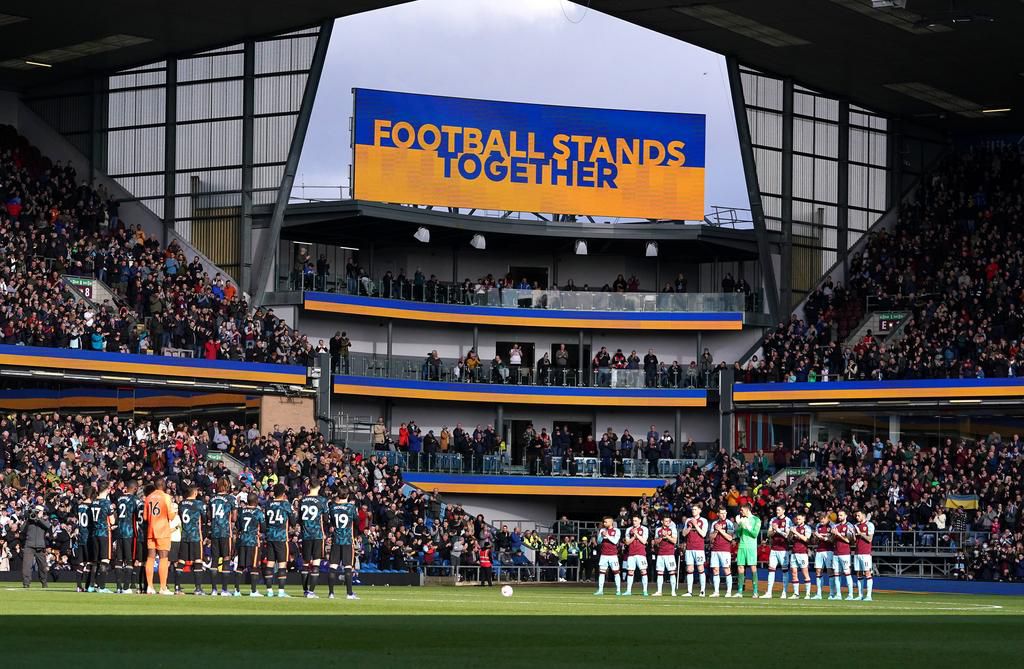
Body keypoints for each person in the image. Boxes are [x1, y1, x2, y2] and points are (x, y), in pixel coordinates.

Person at [143, 477, 176, 595]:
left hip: (151, 530)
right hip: (162, 531)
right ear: (163, 485)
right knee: (163, 557)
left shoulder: (148, 497)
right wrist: (175, 511)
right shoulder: (166, 497)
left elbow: (145, 517)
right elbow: (171, 516)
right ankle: (162, 588)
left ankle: (150, 587)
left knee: (150, 558)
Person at [299, 478, 329, 598]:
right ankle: (311, 592)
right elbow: (326, 519)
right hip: (317, 535)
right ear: (319, 487)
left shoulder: (302, 500)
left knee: (305, 563)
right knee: (316, 563)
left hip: (305, 534)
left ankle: (305, 590)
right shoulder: (322, 500)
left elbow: (300, 518)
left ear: (309, 486)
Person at [328, 487, 359, 600]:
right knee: (347, 567)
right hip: (347, 540)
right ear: (347, 496)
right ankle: (349, 593)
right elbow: (357, 521)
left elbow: (330, 521)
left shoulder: (332, 507)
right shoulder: (351, 507)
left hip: (336, 539)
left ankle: (331, 593)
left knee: (333, 566)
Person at [208, 478, 238, 596]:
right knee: (226, 559)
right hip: (225, 532)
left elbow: (209, 516)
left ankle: (214, 589)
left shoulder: (212, 499)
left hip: (214, 532)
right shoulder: (231, 498)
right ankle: (224, 590)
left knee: (214, 561)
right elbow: (234, 518)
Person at [177, 485, 208, 596]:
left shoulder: (181, 504)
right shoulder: (199, 504)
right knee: (198, 561)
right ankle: (198, 589)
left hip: (184, 535)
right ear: (194, 493)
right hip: (195, 536)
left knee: (181, 561)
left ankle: (177, 588)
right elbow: (205, 518)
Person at [265, 483, 294, 597]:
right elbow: (293, 521)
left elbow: (266, 520)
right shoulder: (285, 504)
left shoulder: (268, 504)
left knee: (270, 563)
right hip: (281, 537)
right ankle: (281, 591)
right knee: (282, 564)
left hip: (270, 536)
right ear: (283, 494)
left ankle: (269, 591)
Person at [236, 493, 266, 597]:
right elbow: (263, 527)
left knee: (240, 566)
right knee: (254, 566)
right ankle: (253, 591)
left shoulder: (241, 511)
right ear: (256, 501)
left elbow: (238, 526)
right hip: (253, 541)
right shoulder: (258, 512)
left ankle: (236, 591)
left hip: (242, 540)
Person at [89, 481, 115, 593]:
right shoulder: (106, 503)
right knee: (104, 560)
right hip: (104, 533)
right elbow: (112, 520)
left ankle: (91, 586)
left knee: (95, 560)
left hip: (94, 533)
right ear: (107, 490)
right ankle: (102, 587)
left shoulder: (93, 502)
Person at [114, 481, 140, 594]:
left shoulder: (119, 498)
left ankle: (119, 587)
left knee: (119, 560)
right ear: (134, 489)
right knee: (129, 560)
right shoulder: (135, 499)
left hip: (119, 530)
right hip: (129, 532)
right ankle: (126, 587)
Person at [764, 504, 792, 599]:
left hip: (783, 549)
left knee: (784, 571)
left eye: (779, 510)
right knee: (771, 570)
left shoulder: (788, 520)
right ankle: (769, 592)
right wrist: (774, 531)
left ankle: (784, 592)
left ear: (783, 511)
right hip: (774, 549)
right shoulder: (773, 520)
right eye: (776, 510)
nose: (777, 511)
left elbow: (787, 535)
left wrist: (777, 529)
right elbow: (768, 533)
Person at [734, 503, 761, 598]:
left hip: (751, 547)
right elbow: (738, 534)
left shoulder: (756, 519)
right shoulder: (743, 519)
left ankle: (755, 592)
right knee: (740, 567)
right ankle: (740, 592)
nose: (741, 512)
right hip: (742, 545)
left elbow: (755, 534)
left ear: (747, 510)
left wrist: (747, 526)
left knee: (753, 568)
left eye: (742, 510)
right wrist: (739, 525)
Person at [20, 504, 50, 589]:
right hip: (29, 545)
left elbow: (47, 526)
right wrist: (28, 519)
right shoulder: (29, 520)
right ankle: (26, 583)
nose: (36, 513)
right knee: (26, 565)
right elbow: (22, 529)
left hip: (40, 546)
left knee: (43, 566)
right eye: (35, 512)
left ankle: (44, 582)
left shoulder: (44, 520)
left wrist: (39, 518)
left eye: (38, 512)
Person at [681, 504, 708, 597]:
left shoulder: (704, 520)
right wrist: (689, 527)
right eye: (692, 509)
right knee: (689, 569)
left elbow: (703, 534)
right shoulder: (688, 520)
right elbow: (684, 534)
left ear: (700, 510)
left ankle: (702, 591)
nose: (693, 511)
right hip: (689, 548)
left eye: (695, 509)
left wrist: (696, 525)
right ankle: (689, 591)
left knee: (700, 568)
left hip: (699, 548)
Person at [708, 507, 735, 597]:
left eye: (724, 513)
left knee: (727, 569)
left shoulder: (729, 523)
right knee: (715, 570)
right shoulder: (714, 523)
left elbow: (730, 538)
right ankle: (716, 592)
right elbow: (711, 538)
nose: (723, 515)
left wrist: (720, 530)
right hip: (715, 549)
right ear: (718, 514)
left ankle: (729, 592)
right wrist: (716, 530)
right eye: (721, 513)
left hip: (725, 550)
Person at [831, 510, 856, 601]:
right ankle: (838, 594)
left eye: (841, 515)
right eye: (839, 515)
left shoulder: (849, 526)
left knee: (847, 573)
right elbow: (832, 540)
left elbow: (849, 541)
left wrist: (838, 534)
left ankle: (850, 595)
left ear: (845, 516)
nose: (839, 517)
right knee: (836, 574)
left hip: (845, 553)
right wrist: (833, 535)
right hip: (836, 553)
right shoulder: (835, 526)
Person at [593, 516, 621, 596]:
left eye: (606, 522)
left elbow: (615, 541)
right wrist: (601, 536)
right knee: (602, 573)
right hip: (604, 555)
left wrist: (607, 535)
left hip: (613, 555)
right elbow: (598, 542)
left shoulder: (616, 530)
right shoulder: (602, 530)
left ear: (611, 522)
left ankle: (618, 590)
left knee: (616, 573)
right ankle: (600, 590)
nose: (604, 523)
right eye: (604, 522)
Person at [622, 516, 649, 596]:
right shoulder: (628, 529)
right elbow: (627, 542)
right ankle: (628, 591)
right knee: (630, 571)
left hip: (641, 553)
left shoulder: (644, 529)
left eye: (636, 520)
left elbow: (644, 541)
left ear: (640, 521)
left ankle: (645, 591)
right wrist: (634, 536)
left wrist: (636, 533)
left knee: (643, 571)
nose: (634, 522)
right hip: (631, 554)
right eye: (633, 520)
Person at [652, 516, 678, 597]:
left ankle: (673, 592)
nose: (667, 523)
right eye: (665, 521)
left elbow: (674, 541)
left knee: (672, 572)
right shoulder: (658, 530)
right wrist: (661, 537)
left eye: (668, 521)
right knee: (660, 572)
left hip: (670, 554)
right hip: (660, 554)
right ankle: (659, 591)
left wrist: (667, 536)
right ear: (662, 521)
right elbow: (655, 542)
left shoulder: (673, 529)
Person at [812, 511, 835, 600]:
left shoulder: (832, 526)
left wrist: (823, 537)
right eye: (819, 519)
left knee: (830, 571)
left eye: (822, 519)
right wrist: (815, 536)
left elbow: (833, 540)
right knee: (818, 571)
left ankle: (832, 593)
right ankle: (818, 594)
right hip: (819, 550)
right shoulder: (818, 526)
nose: (821, 521)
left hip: (829, 551)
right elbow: (815, 541)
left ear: (827, 518)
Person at [789, 512, 812, 599]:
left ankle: (808, 594)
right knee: (794, 573)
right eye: (797, 519)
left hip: (802, 553)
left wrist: (796, 533)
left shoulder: (807, 528)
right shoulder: (794, 527)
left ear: (803, 519)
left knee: (805, 573)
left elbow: (806, 539)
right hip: (794, 552)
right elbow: (790, 539)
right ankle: (796, 594)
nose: (798, 521)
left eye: (799, 519)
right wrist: (791, 533)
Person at [854, 510, 875, 601]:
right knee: (858, 574)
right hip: (857, 552)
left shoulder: (869, 525)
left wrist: (861, 534)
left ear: (863, 515)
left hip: (866, 553)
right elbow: (854, 540)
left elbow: (870, 539)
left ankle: (869, 596)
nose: (857, 517)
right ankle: (860, 595)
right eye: (856, 516)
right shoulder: (856, 526)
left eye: (858, 515)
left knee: (867, 573)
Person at [75, 488, 93, 592]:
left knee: (80, 563)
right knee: (89, 562)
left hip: (81, 535)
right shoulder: (91, 506)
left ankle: (78, 586)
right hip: (88, 536)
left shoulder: (80, 506)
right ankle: (87, 586)